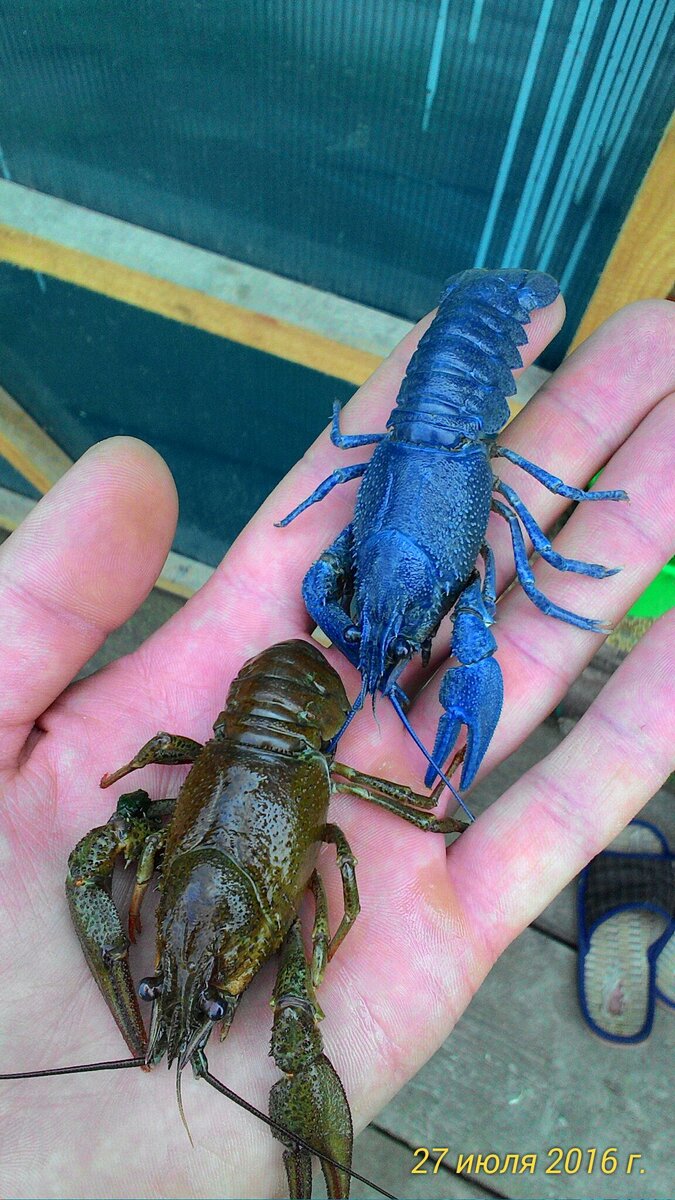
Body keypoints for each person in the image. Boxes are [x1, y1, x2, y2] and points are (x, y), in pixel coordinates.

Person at [0, 294, 673, 1198]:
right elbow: (163, 861)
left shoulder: (466, 516)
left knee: (475, 627)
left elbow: (143, 838)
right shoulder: (262, 866)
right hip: (288, 704)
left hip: (320, 659)